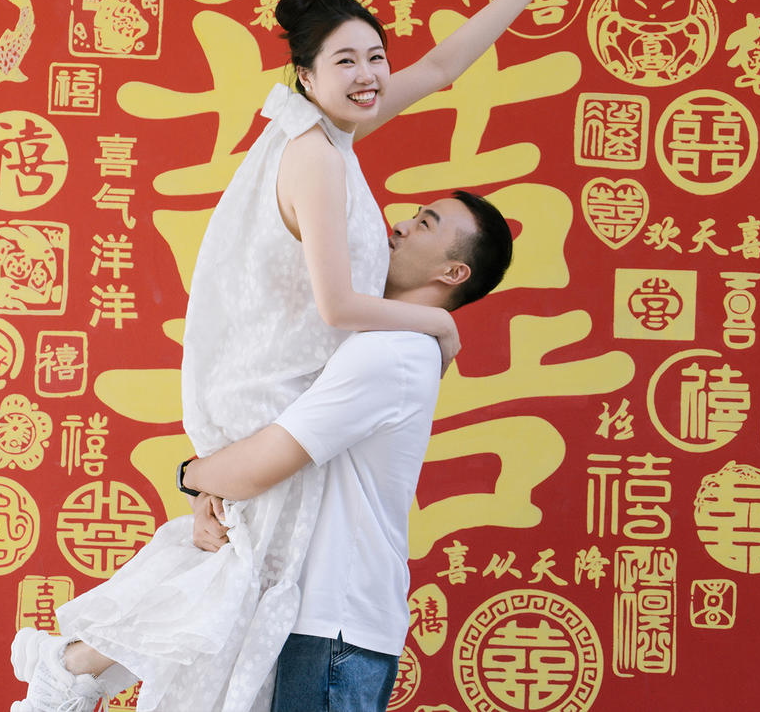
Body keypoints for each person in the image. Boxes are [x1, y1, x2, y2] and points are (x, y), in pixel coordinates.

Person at [10, 0, 568, 712]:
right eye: (346, 61)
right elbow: (337, 306)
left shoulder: (334, 136)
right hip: (272, 379)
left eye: (376, 56)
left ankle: (73, 668)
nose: (369, 75)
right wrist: (436, 329)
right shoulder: (315, 157)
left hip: (293, 380)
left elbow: (442, 66)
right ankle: (71, 665)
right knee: (242, 571)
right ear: (305, 76)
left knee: (234, 574)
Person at [181, 191, 513, 712]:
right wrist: (209, 493)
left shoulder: (393, 351)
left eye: (426, 224)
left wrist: (191, 474)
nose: (399, 225)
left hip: (332, 624)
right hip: (313, 617)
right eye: (414, 216)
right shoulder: (385, 342)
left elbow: (266, 461)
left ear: (453, 273)